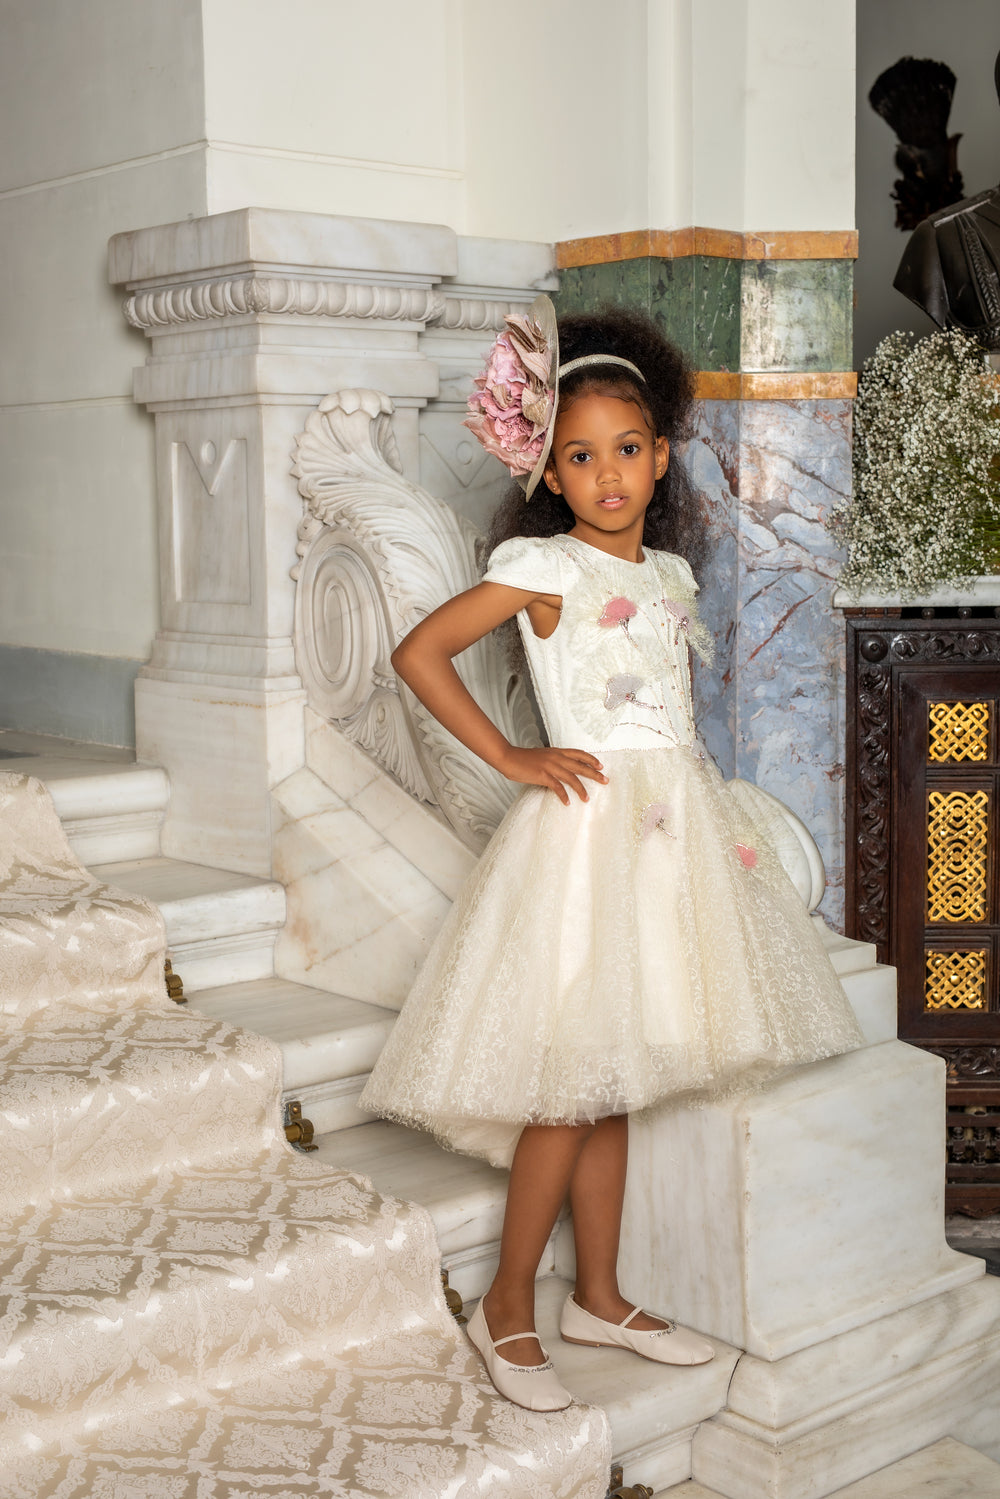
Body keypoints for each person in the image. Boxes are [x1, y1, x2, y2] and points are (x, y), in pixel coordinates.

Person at [359, 298, 863, 1412]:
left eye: (626, 450)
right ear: (552, 473)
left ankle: (598, 1291)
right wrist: (509, 753)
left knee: (617, 1072)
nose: (607, 474)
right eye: (579, 456)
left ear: (661, 454)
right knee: (569, 1084)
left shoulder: (675, 579)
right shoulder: (542, 565)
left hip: (669, 837)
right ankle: (505, 1302)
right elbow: (420, 648)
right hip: (585, 842)